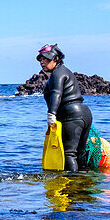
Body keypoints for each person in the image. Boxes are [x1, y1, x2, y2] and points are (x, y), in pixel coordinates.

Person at [37, 44, 94, 172]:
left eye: (46, 59)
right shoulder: (64, 71)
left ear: (56, 59)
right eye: (40, 59)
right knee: (80, 152)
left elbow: (57, 93)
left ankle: (72, 184)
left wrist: (51, 114)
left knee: (69, 154)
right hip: (84, 113)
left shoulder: (57, 73)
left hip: (71, 115)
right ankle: (83, 183)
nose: (42, 62)